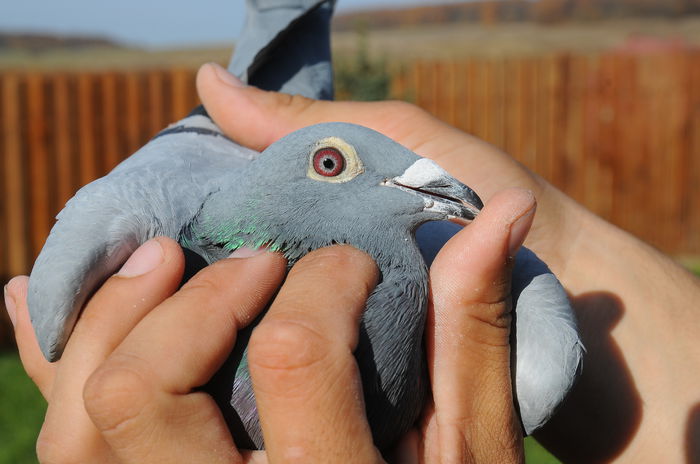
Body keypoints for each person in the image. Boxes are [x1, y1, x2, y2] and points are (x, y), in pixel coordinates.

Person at [4, 61, 700, 462]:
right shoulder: (151, 227)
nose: (441, 184)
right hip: (202, 147)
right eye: (333, 164)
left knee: (546, 376)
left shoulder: (450, 258)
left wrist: (568, 245)